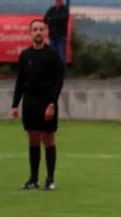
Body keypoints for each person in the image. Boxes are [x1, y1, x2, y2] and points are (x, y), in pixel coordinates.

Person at [11, 20, 65, 191]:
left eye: (41, 29)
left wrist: (52, 103)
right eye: (35, 29)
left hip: (46, 102)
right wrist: (15, 104)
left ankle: (50, 180)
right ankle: (33, 179)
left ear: (45, 32)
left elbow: (58, 82)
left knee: (48, 140)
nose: (38, 32)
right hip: (30, 103)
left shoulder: (53, 55)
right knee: (33, 139)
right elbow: (20, 81)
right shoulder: (25, 55)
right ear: (30, 33)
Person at [44, 0, 69, 69]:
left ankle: (62, 73)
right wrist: (55, 19)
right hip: (52, 36)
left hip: (61, 37)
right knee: (52, 56)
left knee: (61, 56)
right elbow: (45, 19)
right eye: (57, 0)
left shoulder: (65, 9)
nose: (58, 1)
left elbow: (63, 19)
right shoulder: (51, 9)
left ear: (62, 1)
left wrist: (51, 19)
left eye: (59, 0)